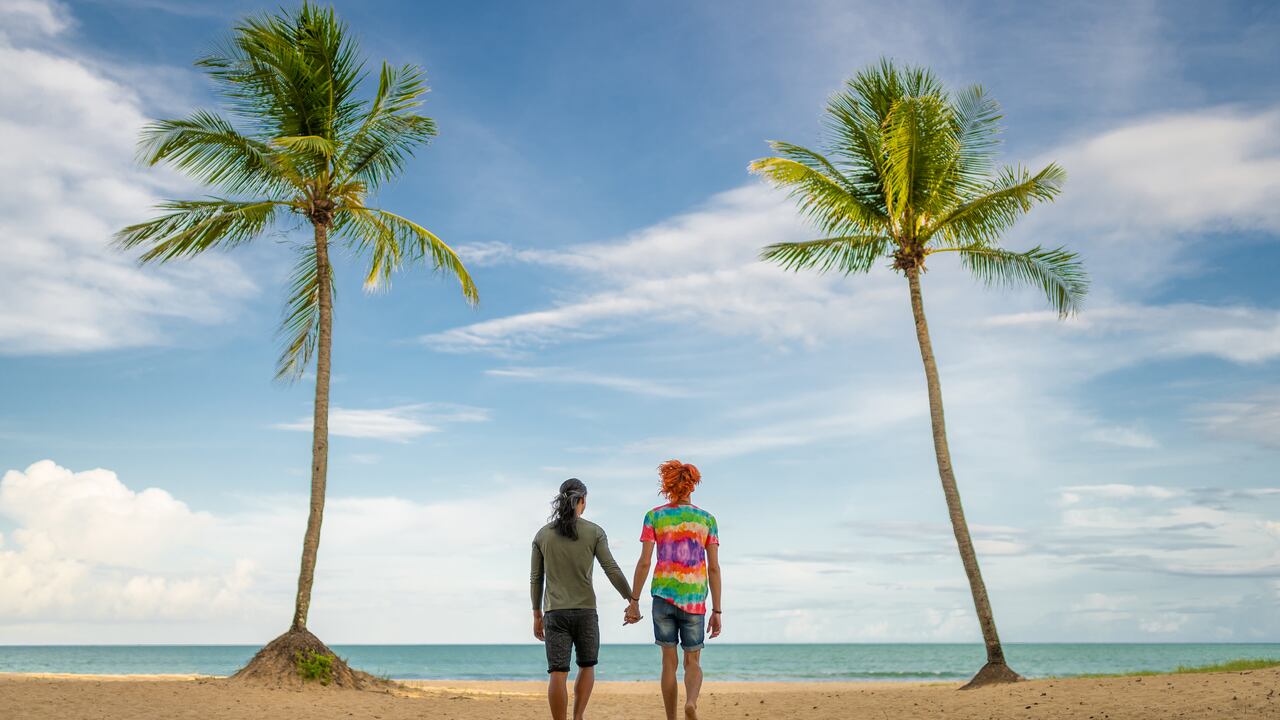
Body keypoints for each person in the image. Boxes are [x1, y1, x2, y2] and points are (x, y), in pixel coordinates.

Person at [530, 478, 634, 720]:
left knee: (557, 672)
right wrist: (631, 599)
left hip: (554, 613)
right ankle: (578, 717)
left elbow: (536, 578)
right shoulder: (595, 532)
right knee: (587, 666)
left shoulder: (542, 535)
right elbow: (611, 568)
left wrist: (536, 614)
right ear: (583, 501)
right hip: (586, 611)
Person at [626, 460, 721, 720]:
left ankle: (672, 718)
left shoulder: (654, 516)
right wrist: (717, 610)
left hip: (663, 599)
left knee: (669, 663)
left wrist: (634, 601)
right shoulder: (707, 520)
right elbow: (713, 568)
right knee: (693, 663)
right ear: (693, 484)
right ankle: (691, 702)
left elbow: (645, 561)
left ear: (668, 485)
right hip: (694, 602)